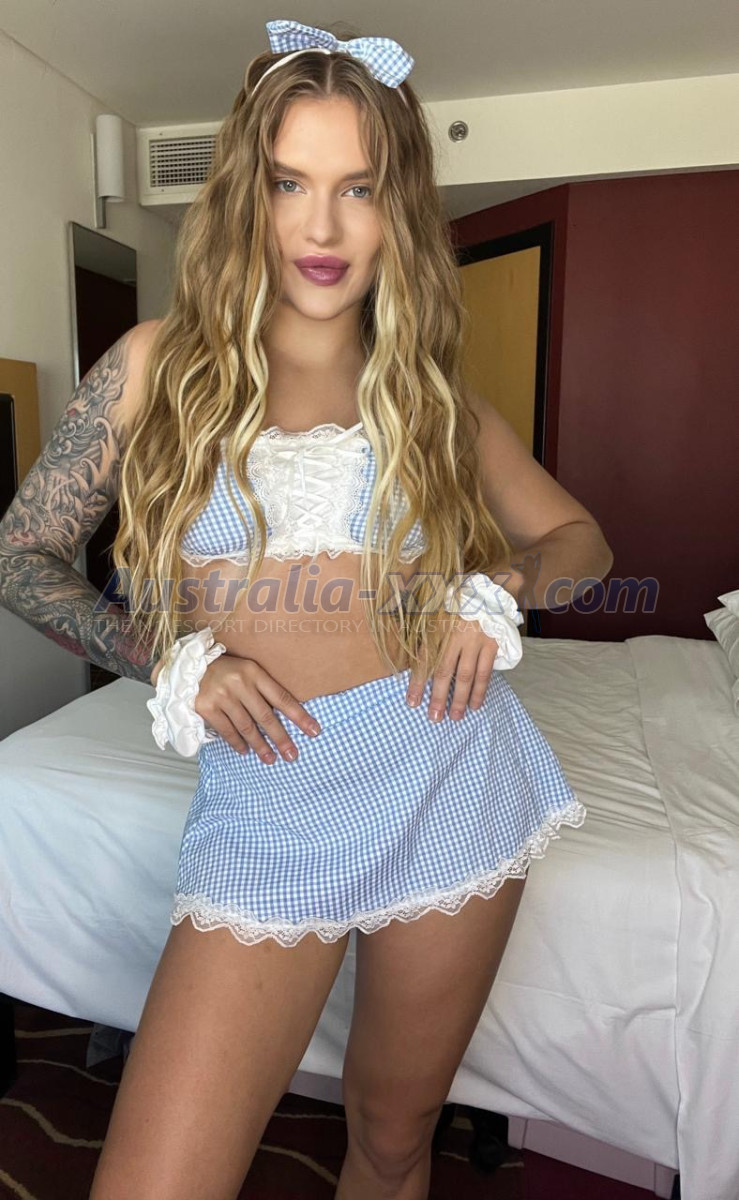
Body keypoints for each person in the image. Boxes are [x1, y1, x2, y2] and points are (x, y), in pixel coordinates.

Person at [0, 18, 613, 1200]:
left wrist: (496, 593)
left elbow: (580, 540)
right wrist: (172, 659)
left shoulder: (428, 395)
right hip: (268, 796)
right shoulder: (155, 366)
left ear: (398, 207)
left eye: (359, 188)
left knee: (392, 1140)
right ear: (247, 191)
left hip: (448, 773)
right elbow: (20, 554)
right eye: (290, 182)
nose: (322, 228)